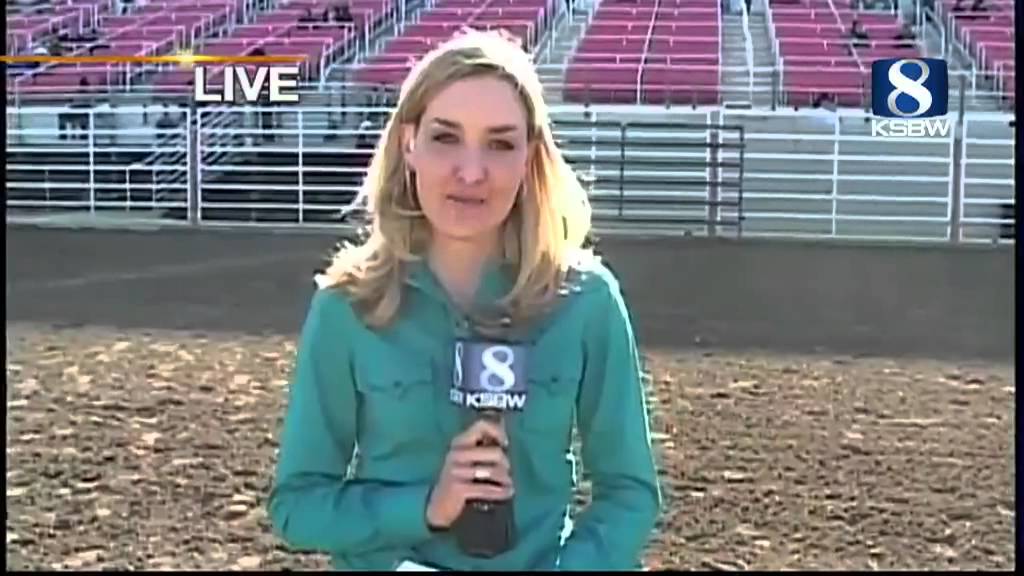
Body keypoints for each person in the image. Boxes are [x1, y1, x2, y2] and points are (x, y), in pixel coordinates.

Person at [267, 29, 662, 571]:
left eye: (499, 143)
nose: (471, 172)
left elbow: (629, 493)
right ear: (409, 143)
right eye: (446, 137)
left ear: (530, 157)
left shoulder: (587, 301)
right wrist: (424, 507)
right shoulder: (347, 305)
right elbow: (298, 504)